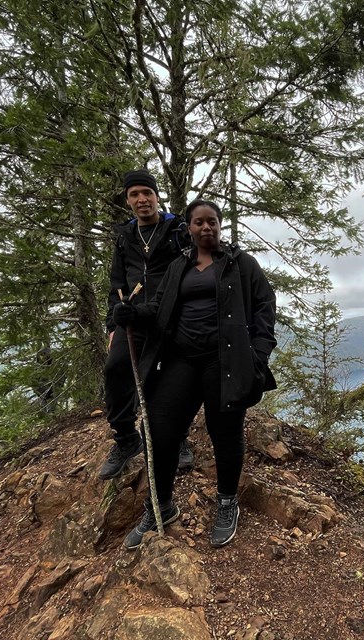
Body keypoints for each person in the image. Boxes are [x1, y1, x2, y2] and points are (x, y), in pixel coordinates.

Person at [112, 198, 277, 550]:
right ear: (188, 227)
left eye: (212, 221)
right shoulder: (178, 266)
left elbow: (265, 306)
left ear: (220, 225)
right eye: (199, 222)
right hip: (181, 360)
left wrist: (258, 355)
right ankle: (161, 507)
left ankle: (227, 502)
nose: (206, 228)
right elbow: (159, 308)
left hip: (226, 362)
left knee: (225, 433)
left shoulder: (241, 264)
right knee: (159, 429)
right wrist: (132, 314)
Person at [99, 169, 195, 480]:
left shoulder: (178, 229)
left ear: (157, 196)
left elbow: (194, 272)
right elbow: (116, 281)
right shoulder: (125, 237)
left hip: (171, 320)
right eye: (134, 194)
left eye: (147, 193)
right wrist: (113, 321)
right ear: (128, 200)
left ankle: (178, 439)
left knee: (171, 383)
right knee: (115, 371)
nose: (142, 199)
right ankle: (127, 439)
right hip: (131, 322)